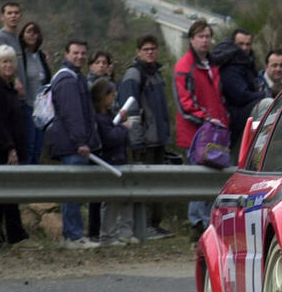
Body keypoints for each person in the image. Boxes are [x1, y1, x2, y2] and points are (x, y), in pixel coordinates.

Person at [174, 20, 229, 241]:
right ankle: (197, 224)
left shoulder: (212, 64)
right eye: (200, 36)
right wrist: (206, 119)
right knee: (198, 181)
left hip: (216, 132)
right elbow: (185, 104)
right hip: (196, 135)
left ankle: (208, 224)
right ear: (191, 39)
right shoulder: (184, 67)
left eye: (207, 36)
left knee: (212, 181)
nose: (205, 40)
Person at [117, 35, 174, 239]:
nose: (150, 52)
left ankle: (154, 225)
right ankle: (144, 226)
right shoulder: (134, 74)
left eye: (153, 48)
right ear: (138, 51)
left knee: (156, 184)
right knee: (145, 184)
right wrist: (136, 140)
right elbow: (129, 110)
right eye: (146, 49)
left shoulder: (156, 74)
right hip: (144, 141)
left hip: (158, 139)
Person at [47, 39, 101, 249]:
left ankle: (72, 234)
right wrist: (81, 141)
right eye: (75, 53)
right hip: (73, 146)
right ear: (66, 54)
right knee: (73, 192)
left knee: (74, 192)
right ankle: (73, 236)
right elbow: (73, 115)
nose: (80, 56)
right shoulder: (68, 80)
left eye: (83, 53)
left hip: (73, 143)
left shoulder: (76, 77)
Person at [0, 46, 30, 247]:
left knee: (9, 195)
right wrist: (10, 148)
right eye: (4, 61)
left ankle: (13, 235)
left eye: (10, 61)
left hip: (10, 149)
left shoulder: (10, 89)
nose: (8, 65)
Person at [91, 78, 136, 246]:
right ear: (103, 96)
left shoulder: (108, 116)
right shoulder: (98, 118)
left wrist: (119, 122)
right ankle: (107, 235)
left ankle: (125, 232)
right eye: (111, 95)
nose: (113, 99)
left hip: (119, 159)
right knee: (110, 201)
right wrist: (123, 128)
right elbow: (109, 138)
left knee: (126, 197)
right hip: (110, 162)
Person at [211, 28, 267, 162]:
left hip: (243, 115)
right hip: (234, 118)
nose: (245, 48)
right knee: (267, 104)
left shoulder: (246, 63)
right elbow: (240, 96)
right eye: (241, 44)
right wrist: (262, 95)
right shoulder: (230, 66)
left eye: (248, 44)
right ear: (233, 44)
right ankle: (261, 156)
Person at [18, 21, 52, 164]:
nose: (32, 35)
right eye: (28, 32)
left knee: (39, 147)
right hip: (27, 106)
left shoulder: (41, 56)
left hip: (41, 110)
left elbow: (47, 80)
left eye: (35, 32)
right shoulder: (20, 56)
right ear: (22, 35)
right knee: (29, 147)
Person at [0, 1, 24, 71]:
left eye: (16, 13)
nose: (13, 16)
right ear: (2, 17)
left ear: (20, 16)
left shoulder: (19, 38)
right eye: (9, 13)